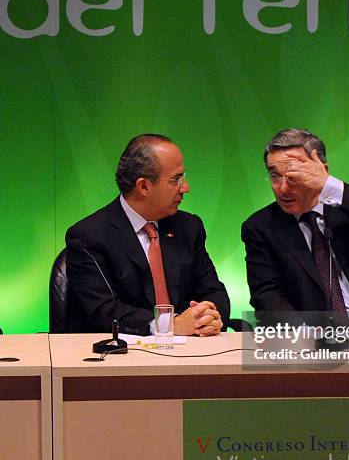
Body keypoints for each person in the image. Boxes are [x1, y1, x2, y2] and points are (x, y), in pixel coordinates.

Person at [241, 128, 349, 328]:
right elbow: (267, 296)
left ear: (321, 170)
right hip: (317, 338)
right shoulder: (261, 227)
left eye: (294, 176)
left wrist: (329, 186)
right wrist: (306, 336)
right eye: (275, 176)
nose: (283, 188)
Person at [66, 134, 229, 336]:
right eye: (176, 179)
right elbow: (103, 311)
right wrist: (168, 327)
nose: (185, 187)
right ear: (144, 186)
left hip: (192, 349)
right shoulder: (89, 237)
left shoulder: (188, 227)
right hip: (124, 358)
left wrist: (207, 317)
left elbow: (214, 291)